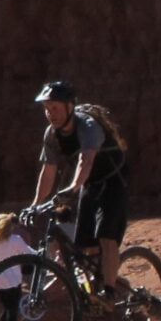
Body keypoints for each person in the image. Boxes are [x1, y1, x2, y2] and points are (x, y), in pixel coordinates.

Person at [31, 79, 129, 296]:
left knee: (106, 236)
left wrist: (73, 188)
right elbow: (48, 172)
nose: (50, 114)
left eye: (55, 108)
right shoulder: (51, 134)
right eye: (47, 109)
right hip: (90, 182)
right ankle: (93, 290)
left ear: (69, 107)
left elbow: (86, 161)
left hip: (113, 180)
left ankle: (110, 293)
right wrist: (35, 205)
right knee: (83, 243)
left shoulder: (88, 127)